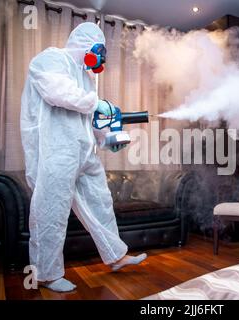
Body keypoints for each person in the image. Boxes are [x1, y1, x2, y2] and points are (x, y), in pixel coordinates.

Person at [20, 22, 147, 293]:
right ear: (86, 46)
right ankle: (46, 274)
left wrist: (106, 139)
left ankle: (115, 256)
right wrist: (98, 103)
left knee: (101, 202)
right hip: (56, 151)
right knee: (51, 210)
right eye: (97, 52)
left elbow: (87, 117)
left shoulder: (86, 77)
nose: (98, 60)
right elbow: (58, 93)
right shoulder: (51, 59)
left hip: (83, 152)